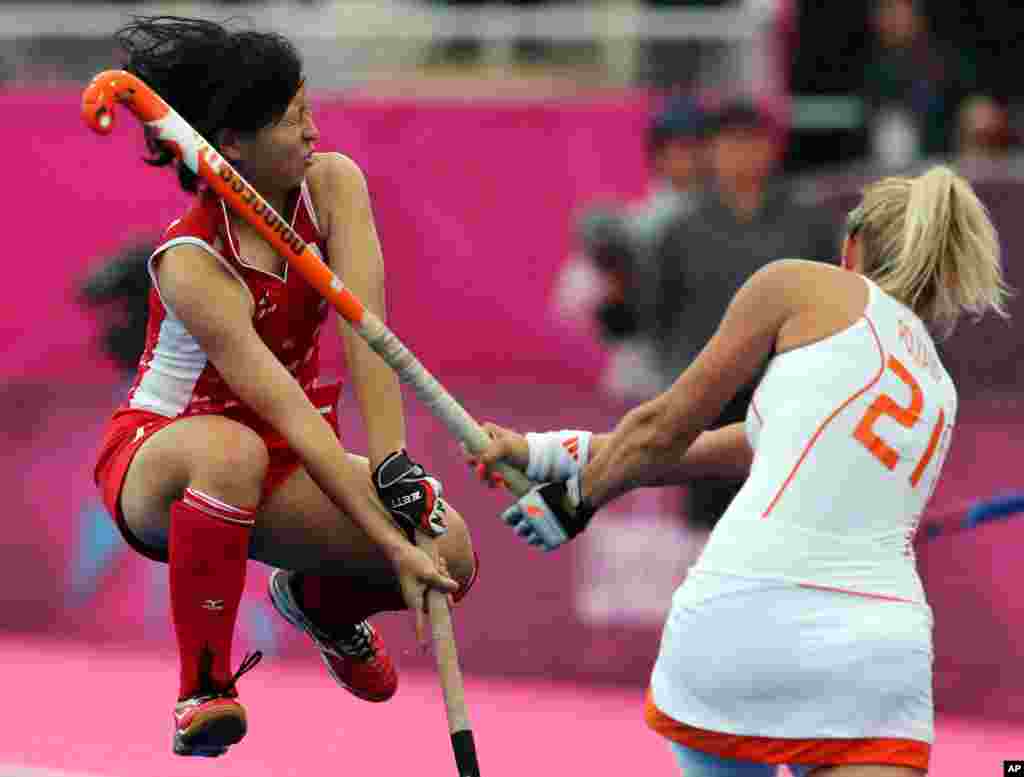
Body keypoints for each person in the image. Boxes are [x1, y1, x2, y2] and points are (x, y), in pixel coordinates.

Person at [471, 165, 1009, 776]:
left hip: (746, 618)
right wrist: (545, 453)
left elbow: (665, 426)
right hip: (879, 650)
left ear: (852, 246)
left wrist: (575, 502)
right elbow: (717, 446)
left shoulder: (804, 286)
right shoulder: (938, 388)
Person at [92, 17, 478, 758]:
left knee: (449, 549)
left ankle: (318, 603)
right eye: (292, 117)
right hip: (159, 460)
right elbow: (288, 410)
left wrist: (393, 466)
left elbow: (369, 332)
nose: (312, 131)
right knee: (232, 451)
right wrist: (378, 539)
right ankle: (201, 686)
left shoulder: (332, 185)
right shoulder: (192, 260)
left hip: (278, 459)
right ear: (230, 143)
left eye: (310, 111)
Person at [648, 96, 837, 533]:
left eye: (751, 143)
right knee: (708, 538)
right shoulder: (681, 231)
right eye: (728, 144)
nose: (741, 155)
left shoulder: (811, 225)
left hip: (790, 408)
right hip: (708, 410)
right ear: (710, 153)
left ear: (772, 149)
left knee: (788, 530)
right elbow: (660, 318)